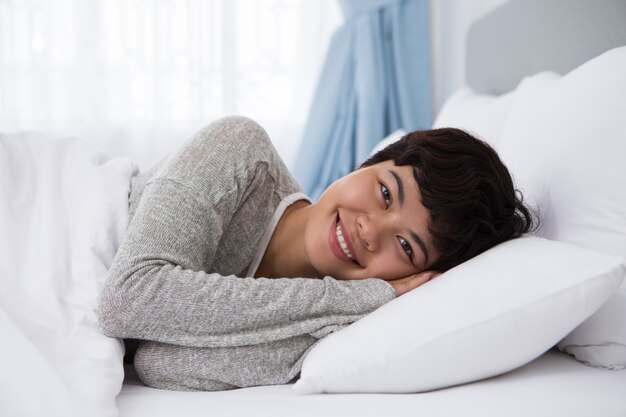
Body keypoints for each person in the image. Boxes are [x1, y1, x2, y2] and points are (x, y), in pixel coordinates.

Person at [97, 115, 533, 391]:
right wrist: (363, 298)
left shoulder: (327, 330)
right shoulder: (241, 152)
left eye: (405, 246)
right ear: (370, 163)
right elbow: (128, 298)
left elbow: (156, 362)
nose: (369, 230)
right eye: (384, 192)